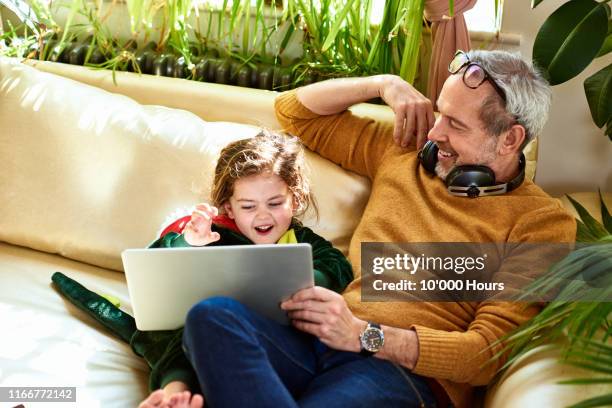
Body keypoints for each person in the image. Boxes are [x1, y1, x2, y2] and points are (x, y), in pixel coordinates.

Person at [180, 50, 576, 408]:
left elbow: (487, 353)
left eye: (455, 124)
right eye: (439, 113)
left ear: (510, 138)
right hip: (316, 339)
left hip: (397, 370)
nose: (436, 133)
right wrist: (382, 84)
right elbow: (293, 111)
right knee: (210, 316)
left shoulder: (541, 222)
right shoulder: (404, 150)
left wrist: (366, 335)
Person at [52, 131, 353, 408]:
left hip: (278, 344)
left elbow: (337, 265)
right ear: (229, 208)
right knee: (187, 322)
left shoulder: (302, 240)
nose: (264, 216)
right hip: (198, 340)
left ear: (295, 199)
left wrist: (305, 283)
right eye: (248, 207)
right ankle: (174, 391)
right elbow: (155, 269)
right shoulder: (213, 235)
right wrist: (189, 243)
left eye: (275, 203)